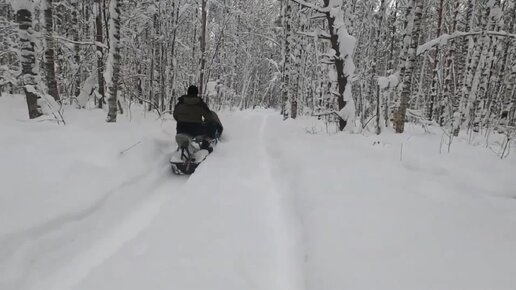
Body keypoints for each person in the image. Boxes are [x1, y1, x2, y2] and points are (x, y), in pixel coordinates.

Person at [173, 85, 223, 151]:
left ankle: (184, 144)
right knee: (212, 123)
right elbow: (209, 117)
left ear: (188, 92)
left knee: (182, 125)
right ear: (197, 93)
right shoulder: (200, 104)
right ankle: (206, 143)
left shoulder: (180, 103)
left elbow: (175, 115)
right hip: (196, 130)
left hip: (181, 128)